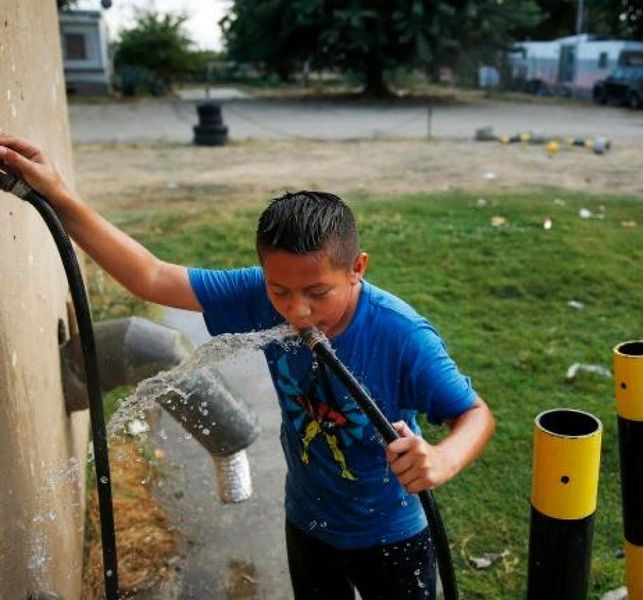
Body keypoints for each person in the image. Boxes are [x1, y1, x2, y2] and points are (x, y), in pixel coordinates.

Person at [0, 134, 495, 600]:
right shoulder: (260, 295)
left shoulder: (401, 335)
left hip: (391, 537)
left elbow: (474, 414)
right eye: (281, 290)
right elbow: (151, 276)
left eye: (317, 293)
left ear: (357, 268)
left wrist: (444, 460)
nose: (297, 310)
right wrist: (59, 195)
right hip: (308, 522)